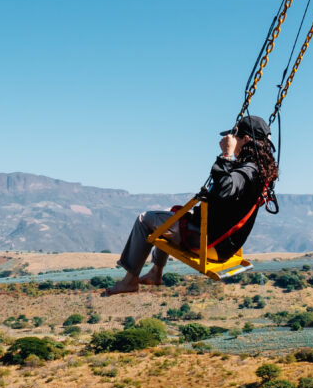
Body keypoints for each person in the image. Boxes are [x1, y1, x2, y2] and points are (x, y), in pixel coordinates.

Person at [106, 115, 276, 295]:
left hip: (209, 244)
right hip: (226, 245)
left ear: (246, 139)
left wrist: (226, 155)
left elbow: (224, 189)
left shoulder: (247, 171)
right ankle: (156, 272)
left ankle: (130, 281)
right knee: (166, 214)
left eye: (235, 138)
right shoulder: (261, 171)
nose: (231, 142)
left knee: (144, 219)